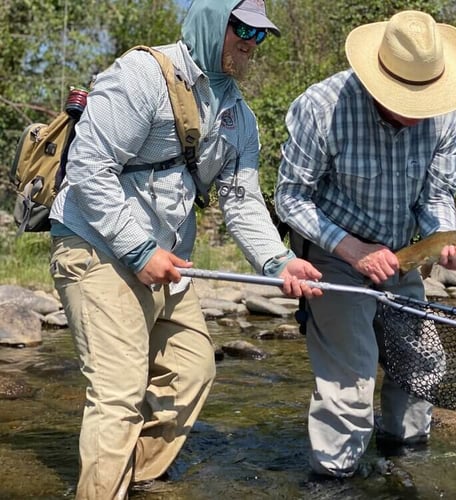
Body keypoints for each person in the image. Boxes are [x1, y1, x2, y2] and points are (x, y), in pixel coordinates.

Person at [48, 0, 322, 497]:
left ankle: (134, 480)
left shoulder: (240, 118)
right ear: (212, 21)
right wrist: (136, 250)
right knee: (119, 394)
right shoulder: (143, 75)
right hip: (96, 247)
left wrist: (279, 261)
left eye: (260, 35)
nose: (250, 43)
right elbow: (88, 166)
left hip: (163, 259)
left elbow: (241, 203)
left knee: (193, 367)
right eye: (241, 29)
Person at [275, 10, 456, 477]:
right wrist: (352, 250)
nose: (416, 110)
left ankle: (401, 466)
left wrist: (444, 240)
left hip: (403, 255)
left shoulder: (446, 111)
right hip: (334, 254)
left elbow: (436, 195)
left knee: (423, 367)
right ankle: (331, 481)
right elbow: (290, 198)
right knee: (351, 384)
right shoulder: (321, 107)